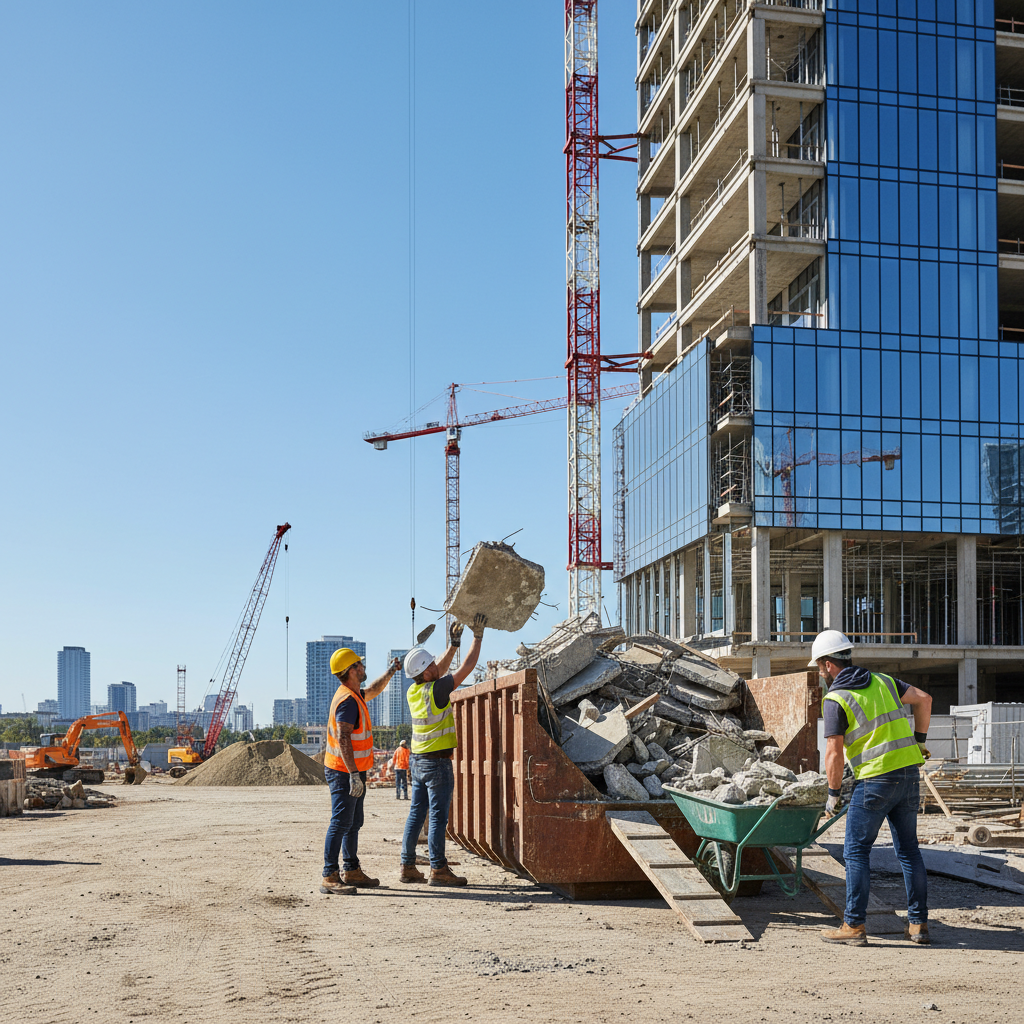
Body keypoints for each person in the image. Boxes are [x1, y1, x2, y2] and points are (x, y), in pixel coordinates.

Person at [811, 629, 933, 946]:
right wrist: (919, 743)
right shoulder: (884, 682)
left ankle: (853, 926)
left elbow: (834, 753)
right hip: (908, 776)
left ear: (827, 665)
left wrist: (833, 795)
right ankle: (918, 926)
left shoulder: (836, 699)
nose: (820, 675)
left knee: (856, 853)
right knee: (909, 851)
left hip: (876, 780)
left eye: (819, 668)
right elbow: (924, 699)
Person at [398, 614, 486, 886]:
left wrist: (454, 644)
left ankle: (407, 866)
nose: (437, 666)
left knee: (416, 814)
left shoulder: (415, 691)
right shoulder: (437, 690)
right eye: (432, 664)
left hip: (418, 763)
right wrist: (478, 637)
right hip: (437, 764)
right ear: (425, 672)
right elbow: (467, 668)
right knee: (437, 817)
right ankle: (438, 869)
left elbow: (439, 671)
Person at [320, 648, 401, 895]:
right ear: (352, 670)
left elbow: (374, 689)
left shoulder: (355, 695)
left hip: (353, 771)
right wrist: (354, 774)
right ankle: (329, 875)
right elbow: (344, 738)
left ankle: (351, 869)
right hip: (344, 772)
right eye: (360, 665)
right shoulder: (347, 701)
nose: (364, 668)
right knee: (341, 822)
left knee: (353, 822)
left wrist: (391, 671)